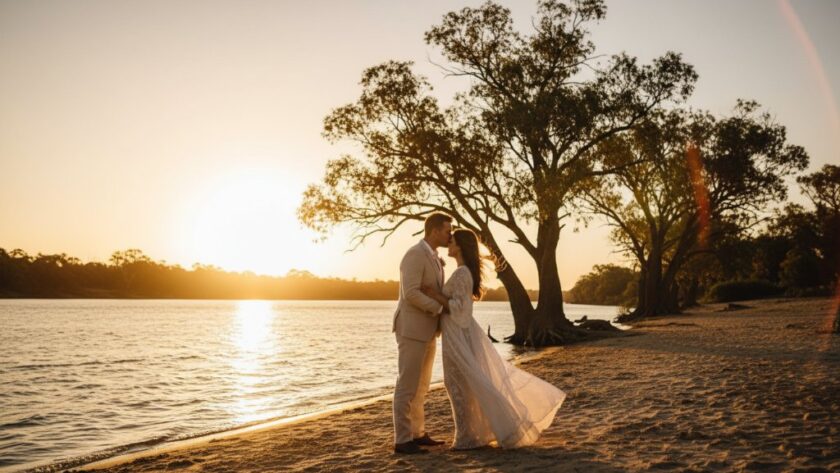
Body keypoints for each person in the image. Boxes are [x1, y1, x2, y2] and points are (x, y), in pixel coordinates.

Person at [422, 228, 566, 449]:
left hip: (458, 333)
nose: (448, 244)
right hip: (457, 332)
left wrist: (434, 295)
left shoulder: (462, 273)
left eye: (452, 241)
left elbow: (460, 309)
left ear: (460, 246)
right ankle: (470, 434)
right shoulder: (463, 271)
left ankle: (468, 437)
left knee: (459, 383)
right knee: (464, 383)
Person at [391, 212, 452, 454]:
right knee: (406, 385)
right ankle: (402, 440)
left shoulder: (435, 257)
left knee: (422, 386)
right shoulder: (414, 255)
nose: (450, 235)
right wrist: (439, 308)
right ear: (435, 230)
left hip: (428, 331)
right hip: (412, 329)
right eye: (447, 231)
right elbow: (411, 293)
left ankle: (418, 433)